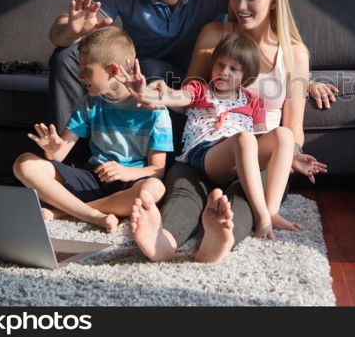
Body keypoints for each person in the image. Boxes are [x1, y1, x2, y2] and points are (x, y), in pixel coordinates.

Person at [128, 0, 330, 263]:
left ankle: (218, 242)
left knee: (245, 199)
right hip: (205, 148)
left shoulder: (294, 53)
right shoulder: (214, 33)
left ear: (274, 1)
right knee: (185, 194)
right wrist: (156, 94)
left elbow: (293, 126)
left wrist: (294, 153)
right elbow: (189, 94)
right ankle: (163, 240)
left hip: (261, 156)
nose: (240, 6)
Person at [47, 0, 233, 132]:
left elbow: (260, 16)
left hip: (193, 80)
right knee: (66, 56)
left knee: (152, 69)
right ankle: (65, 151)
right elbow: (57, 34)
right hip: (139, 74)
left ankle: (161, 160)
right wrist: (71, 32)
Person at [124, 34, 305, 240]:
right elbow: (173, 96)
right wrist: (147, 93)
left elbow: (263, 137)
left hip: (239, 160)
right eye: (220, 64)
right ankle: (261, 216)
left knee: (283, 134)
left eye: (233, 68)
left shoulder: (254, 102)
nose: (223, 72)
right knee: (244, 139)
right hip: (206, 156)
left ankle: (271, 211)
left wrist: (291, 155)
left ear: (246, 75)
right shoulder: (200, 90)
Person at [13, 26, 174, 233]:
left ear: (113, 70)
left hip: (129, 182)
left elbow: (157, 170)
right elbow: (60, 155)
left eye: (86, 70)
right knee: (24, 163)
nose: (80, 76)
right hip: (93, 177)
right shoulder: (89, 103)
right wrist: (52, 149)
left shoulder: (155, 110)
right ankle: (93, 215)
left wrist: (127, 172)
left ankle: (65, 212)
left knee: (154, 189)